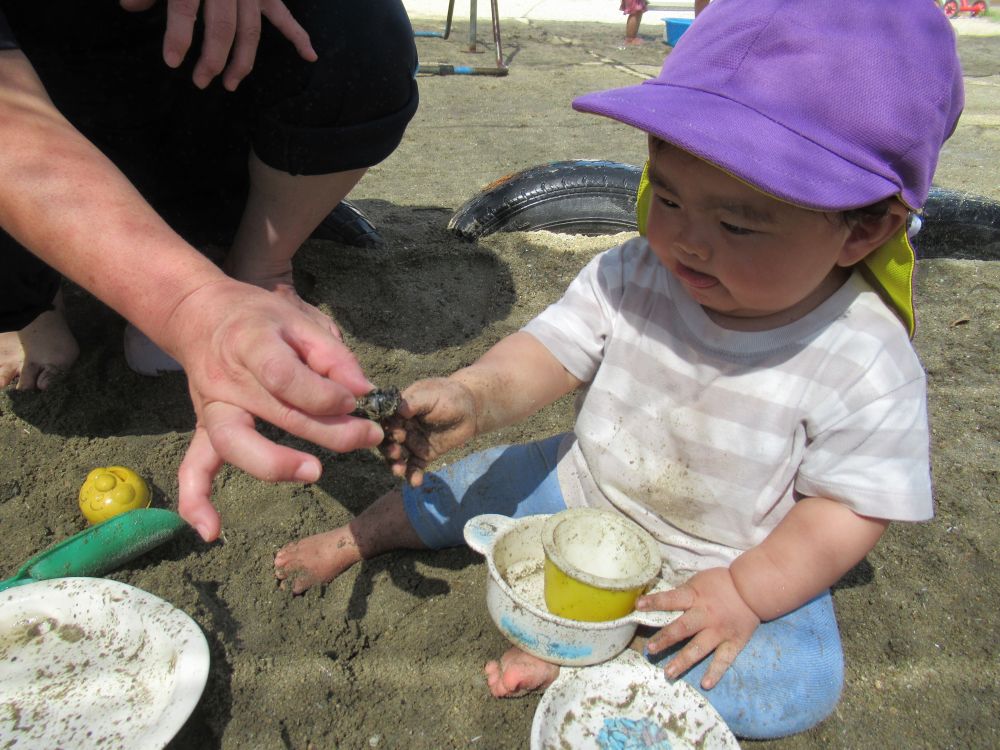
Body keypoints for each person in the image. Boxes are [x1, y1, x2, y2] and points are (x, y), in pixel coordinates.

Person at [273, 0, 962, 739]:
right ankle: (361, 537)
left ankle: (590, 658)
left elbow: (847, 510)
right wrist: (474, 394)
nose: (685, 240)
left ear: (864, 228)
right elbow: (549, 351)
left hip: (731, 556)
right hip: (586, 487)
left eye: (736, 223)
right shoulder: (638, 269)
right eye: (664, 194)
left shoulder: (866, 359)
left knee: (802, 682)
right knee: (468, 482)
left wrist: (745, 590)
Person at [0, 0, 418, 541]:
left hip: (197, 130)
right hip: (47, 119)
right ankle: (29, 305)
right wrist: (193, 305)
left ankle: (262, 262)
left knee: (356, 19)